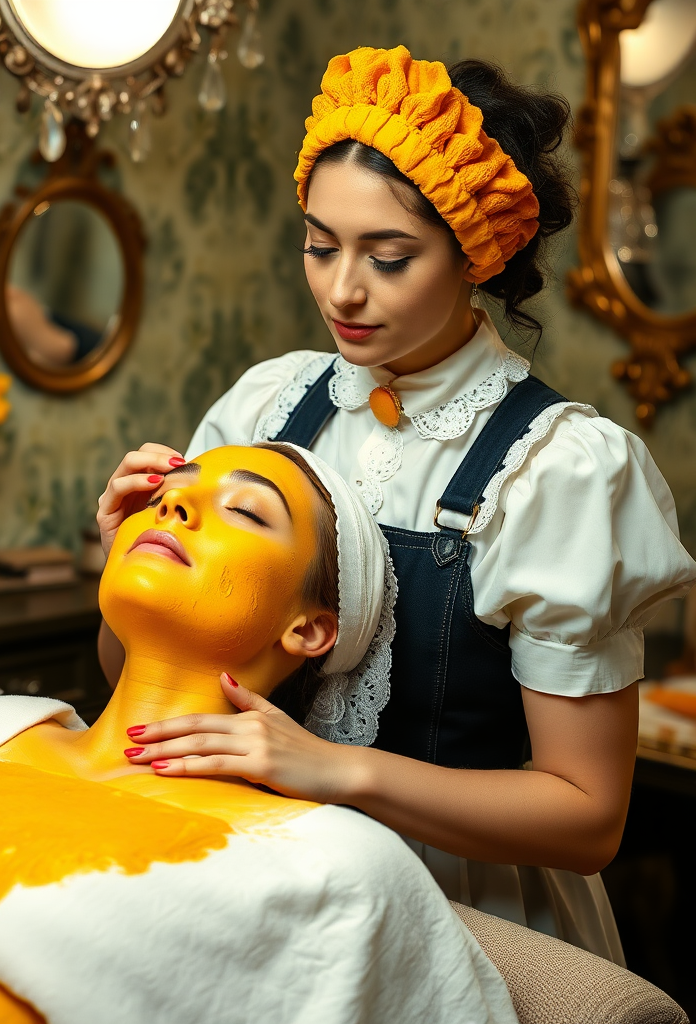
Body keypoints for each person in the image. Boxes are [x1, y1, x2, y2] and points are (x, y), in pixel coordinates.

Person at [96, 45, 696, 963]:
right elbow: (147, 689)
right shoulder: (266, 407)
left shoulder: (561, 471)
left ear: (475, 255)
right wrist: (131, 568)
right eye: (319, 244)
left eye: (389, 257)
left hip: (469, 920)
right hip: (265, 888)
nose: (343, 289)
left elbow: (586, 819)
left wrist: (334, 770)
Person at [0, 444, 517, 1024]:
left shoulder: (332, 860)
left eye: (247, 513)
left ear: (309, 630)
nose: (177, 499)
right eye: (175, 487)